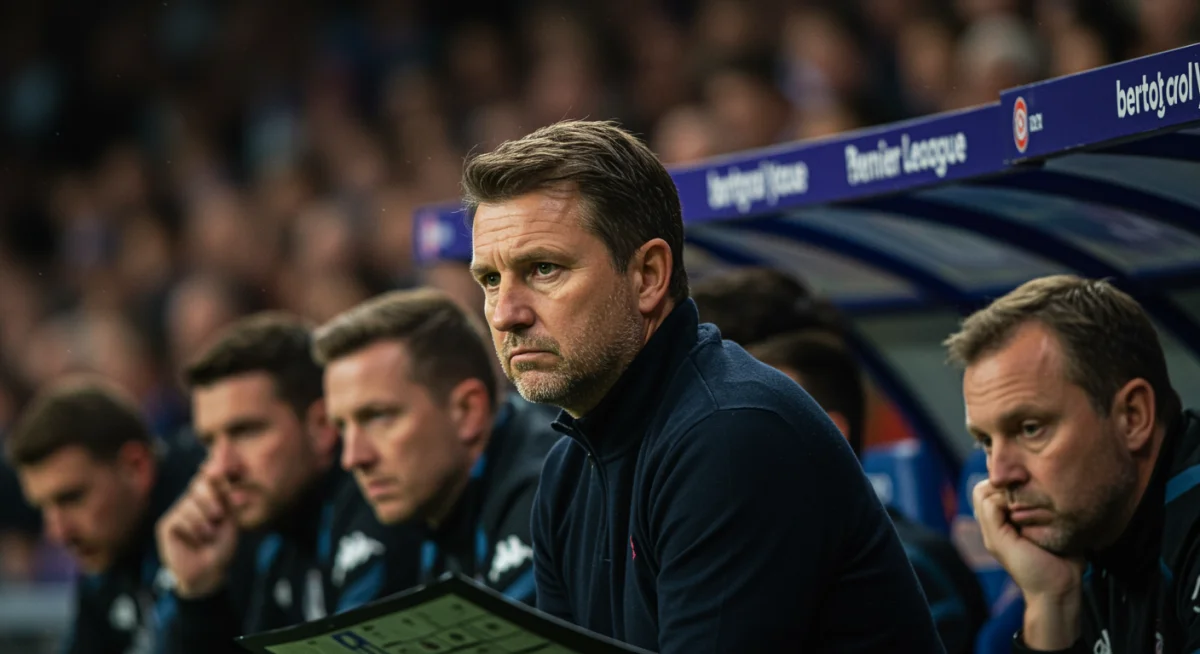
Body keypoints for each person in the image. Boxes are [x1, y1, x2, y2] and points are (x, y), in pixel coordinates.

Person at [463, 119, 943, 653]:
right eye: (489, 279)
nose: (506, 314)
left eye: (544, 269)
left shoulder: (730, 433)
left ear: (648, 275)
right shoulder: (566, 472)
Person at [948, 275, 1199, 653]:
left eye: (1031, 429)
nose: (999, 475)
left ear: (1132, 416)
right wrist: (1051, 601)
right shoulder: (1090, 537)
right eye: (985, 441)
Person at [155, 313, 418, 654]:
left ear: (320, 427)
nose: (221, 468)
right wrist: (199, 593)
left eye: (246, 432)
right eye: (209, 443)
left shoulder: (375, 506)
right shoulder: (273, 538)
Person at [314, 288, 561, 603]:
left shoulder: (543, 491)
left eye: (378, 417)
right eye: (342, 427)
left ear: (467, 411)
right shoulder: (435, 496)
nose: (353, 458)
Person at [748, 331, 989, 654]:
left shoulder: (905, 564)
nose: (736, 445)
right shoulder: (789, 551)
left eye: (757, 425)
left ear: (827, 433)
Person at [7, 376, 204, 654]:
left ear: (136, 468)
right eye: (43, 508)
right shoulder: (105, 557)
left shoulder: (220, 531)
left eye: (72, 498)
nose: (58, 533)